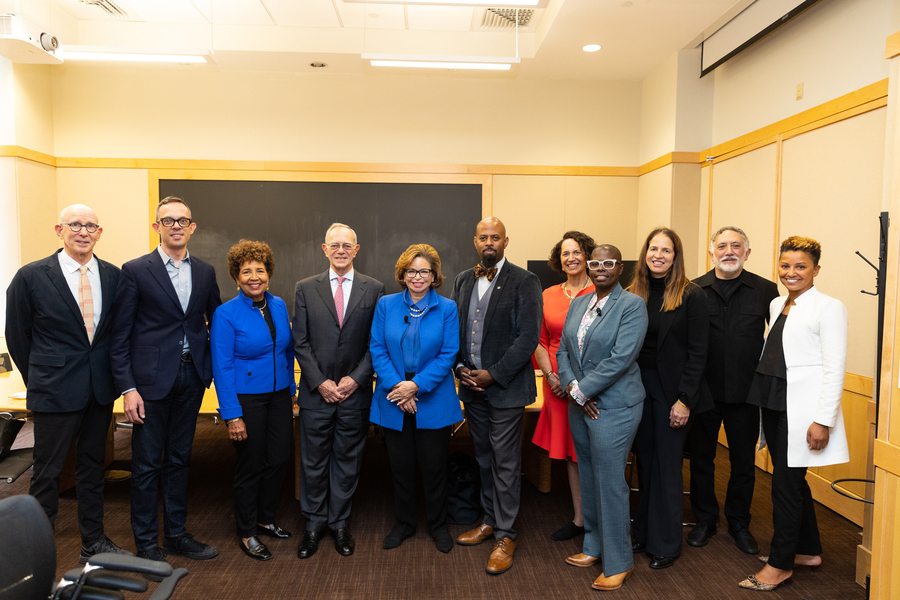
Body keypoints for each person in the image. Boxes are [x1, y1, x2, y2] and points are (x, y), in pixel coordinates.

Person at [5, 204, 132, 564]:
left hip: (99, 389)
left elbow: (115, 332)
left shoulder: (112, 275)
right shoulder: (31, 276)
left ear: (100, 233)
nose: (83, 231)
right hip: (54, 389)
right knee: (48, 471)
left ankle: (94, 541)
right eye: (74, 224)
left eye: (90, 225)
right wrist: (41, 380)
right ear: (59, 230)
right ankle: (34, 547)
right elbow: (17, 334)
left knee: (92, 469)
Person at [110, 196, 222, 570]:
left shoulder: (205, 271)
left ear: (192, 227)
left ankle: (175, 535)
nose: (176, 225)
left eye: (182, 220)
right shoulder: (136, 270)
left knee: (179, 460)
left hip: (191, 378)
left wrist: (213, 376)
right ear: (156, 227)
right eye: (167, 220)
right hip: (149, 384)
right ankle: (145, 543)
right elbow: (120, 335)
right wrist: (128, 388)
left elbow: (215, 325)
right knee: (145, 465)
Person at [739, 236, 849, 592]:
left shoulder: (829, 307)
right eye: (785, 266)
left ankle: (780, 564)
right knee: (792, 484)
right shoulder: (776, 304)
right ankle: (808, 551)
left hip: (801, 411)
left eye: (800, 266)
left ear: (816, 269)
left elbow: (835, 369)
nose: (791, 272)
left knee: (785, 486)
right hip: (772, 400)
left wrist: (823, 420)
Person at [451, 217, 543, 575]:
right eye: (483, 237)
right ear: (475, 241)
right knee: (484, 457)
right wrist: (461, 369)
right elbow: (457, 331)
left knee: (506, 463)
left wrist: (494, 374)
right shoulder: (462, 279)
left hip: (505, 389)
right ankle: (489, 520)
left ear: (506, 241)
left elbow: (528, 337)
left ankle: (506, 534)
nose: (489, 242)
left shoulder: (525, 280)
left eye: (496, 237)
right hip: (472, 388)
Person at [558, 245, 648, 592]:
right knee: (589, 474)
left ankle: (619, 562)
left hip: (615, 406)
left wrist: (581, 393)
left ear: (620, 267)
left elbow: (621, 358)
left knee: (610, 482)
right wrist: (572, 388)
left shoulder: (632, 305)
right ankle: (594, 545)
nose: (600, 268)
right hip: (581, 405)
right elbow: (563, 349)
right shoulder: (580, 302)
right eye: (595, 262)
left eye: (608, 262)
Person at [292, 223, 384, 559]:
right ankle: (314, 524)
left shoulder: (374, 289)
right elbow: (299, 342)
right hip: (317, 394)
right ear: (324, 249)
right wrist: (320, 382)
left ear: (357, 250)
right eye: (335, 245)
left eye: (347, 245)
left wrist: (356, 379)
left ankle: (340, 523)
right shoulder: (305, 288)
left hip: (355, 394)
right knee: (313, 462)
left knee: (347, 462)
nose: (341, 250)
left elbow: (377, 343)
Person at [688, 227, 778, 554]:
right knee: (701, 459)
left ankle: (739, 522)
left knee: (742, 463)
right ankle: (705, 519)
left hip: (746, 394)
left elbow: (778, 342)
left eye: (736, 246)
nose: (729, 251)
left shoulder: (766, 290)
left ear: (747, 252)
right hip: (703, 393)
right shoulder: (693, 289)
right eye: (722, 246)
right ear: (711, 252)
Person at [369, 244, 461, 553]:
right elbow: (377, 349)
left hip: (432, 399)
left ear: (434, 275)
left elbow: (448, 354)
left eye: (424, 271)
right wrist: (399, 387)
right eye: (411, 271)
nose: (417, 277)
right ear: (403, 274)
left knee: (434, 468)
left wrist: (416, 386)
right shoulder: (386, 305)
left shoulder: (447, 308)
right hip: (394, 398)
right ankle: (404, 523)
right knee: (401, 467)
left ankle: (438, 526)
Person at [629, 227, 709, 570]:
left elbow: (698, 352)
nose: (658, 255)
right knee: (645, 464)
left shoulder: (692, 295)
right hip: (636, 388)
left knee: (667, 467)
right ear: (645, 253)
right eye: (653, 249)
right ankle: (644, 532)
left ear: (676, 257)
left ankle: (666, 543)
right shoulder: (632, 292)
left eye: (666, 250)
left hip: (672, 392)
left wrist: (684, 400)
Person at [211, 240, 296, 561]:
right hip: (246, 399)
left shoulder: (278, 305)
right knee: (250, 464)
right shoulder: (226, 313)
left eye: (260, 270)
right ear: (236, 277)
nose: (254, 276)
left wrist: (291, 393)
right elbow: (222, 367)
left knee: (278, 459)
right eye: (246, 271)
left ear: (269, 274)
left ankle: (265, 518)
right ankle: (247, 532)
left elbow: (286, 353)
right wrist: (232, 415)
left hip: (278, 397)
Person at [532, 231, 596, 541]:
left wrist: (584, 385)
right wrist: (550, 375)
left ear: (588, 255)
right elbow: (539, 342)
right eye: (565, 253)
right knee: (572, 453)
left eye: (576, 252)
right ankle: (580, 519)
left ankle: (601, 519)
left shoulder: (603, 291)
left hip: (594, 384)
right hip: (557, 386)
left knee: (593, 450)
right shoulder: (547, 295)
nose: (571, 258)